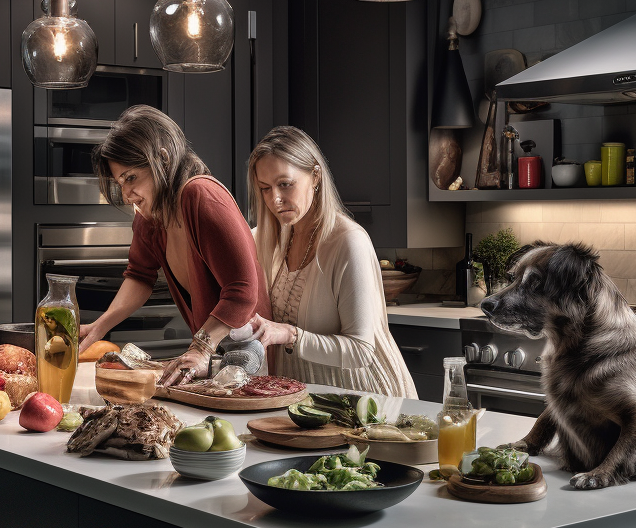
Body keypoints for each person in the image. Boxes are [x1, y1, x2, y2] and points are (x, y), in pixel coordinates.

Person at [79, 105, 271, 387]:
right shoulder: (150, 217)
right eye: (120, 183)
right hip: (212, 357)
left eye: (131, 177)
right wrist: (99, 327)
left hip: (253, 355)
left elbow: (243, 291)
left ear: (163, 159)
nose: (127, 193)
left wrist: (200, 348)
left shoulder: (201, 196)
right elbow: (139, 277)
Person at [244, 126, 417, 398]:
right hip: (308, 402)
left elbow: (361, 351)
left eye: (285, 184)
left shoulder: (349, 242)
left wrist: (291, 335)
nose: (275, 199)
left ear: (315, 176)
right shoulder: (270, 239)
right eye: (265, 189)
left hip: (367, 401)